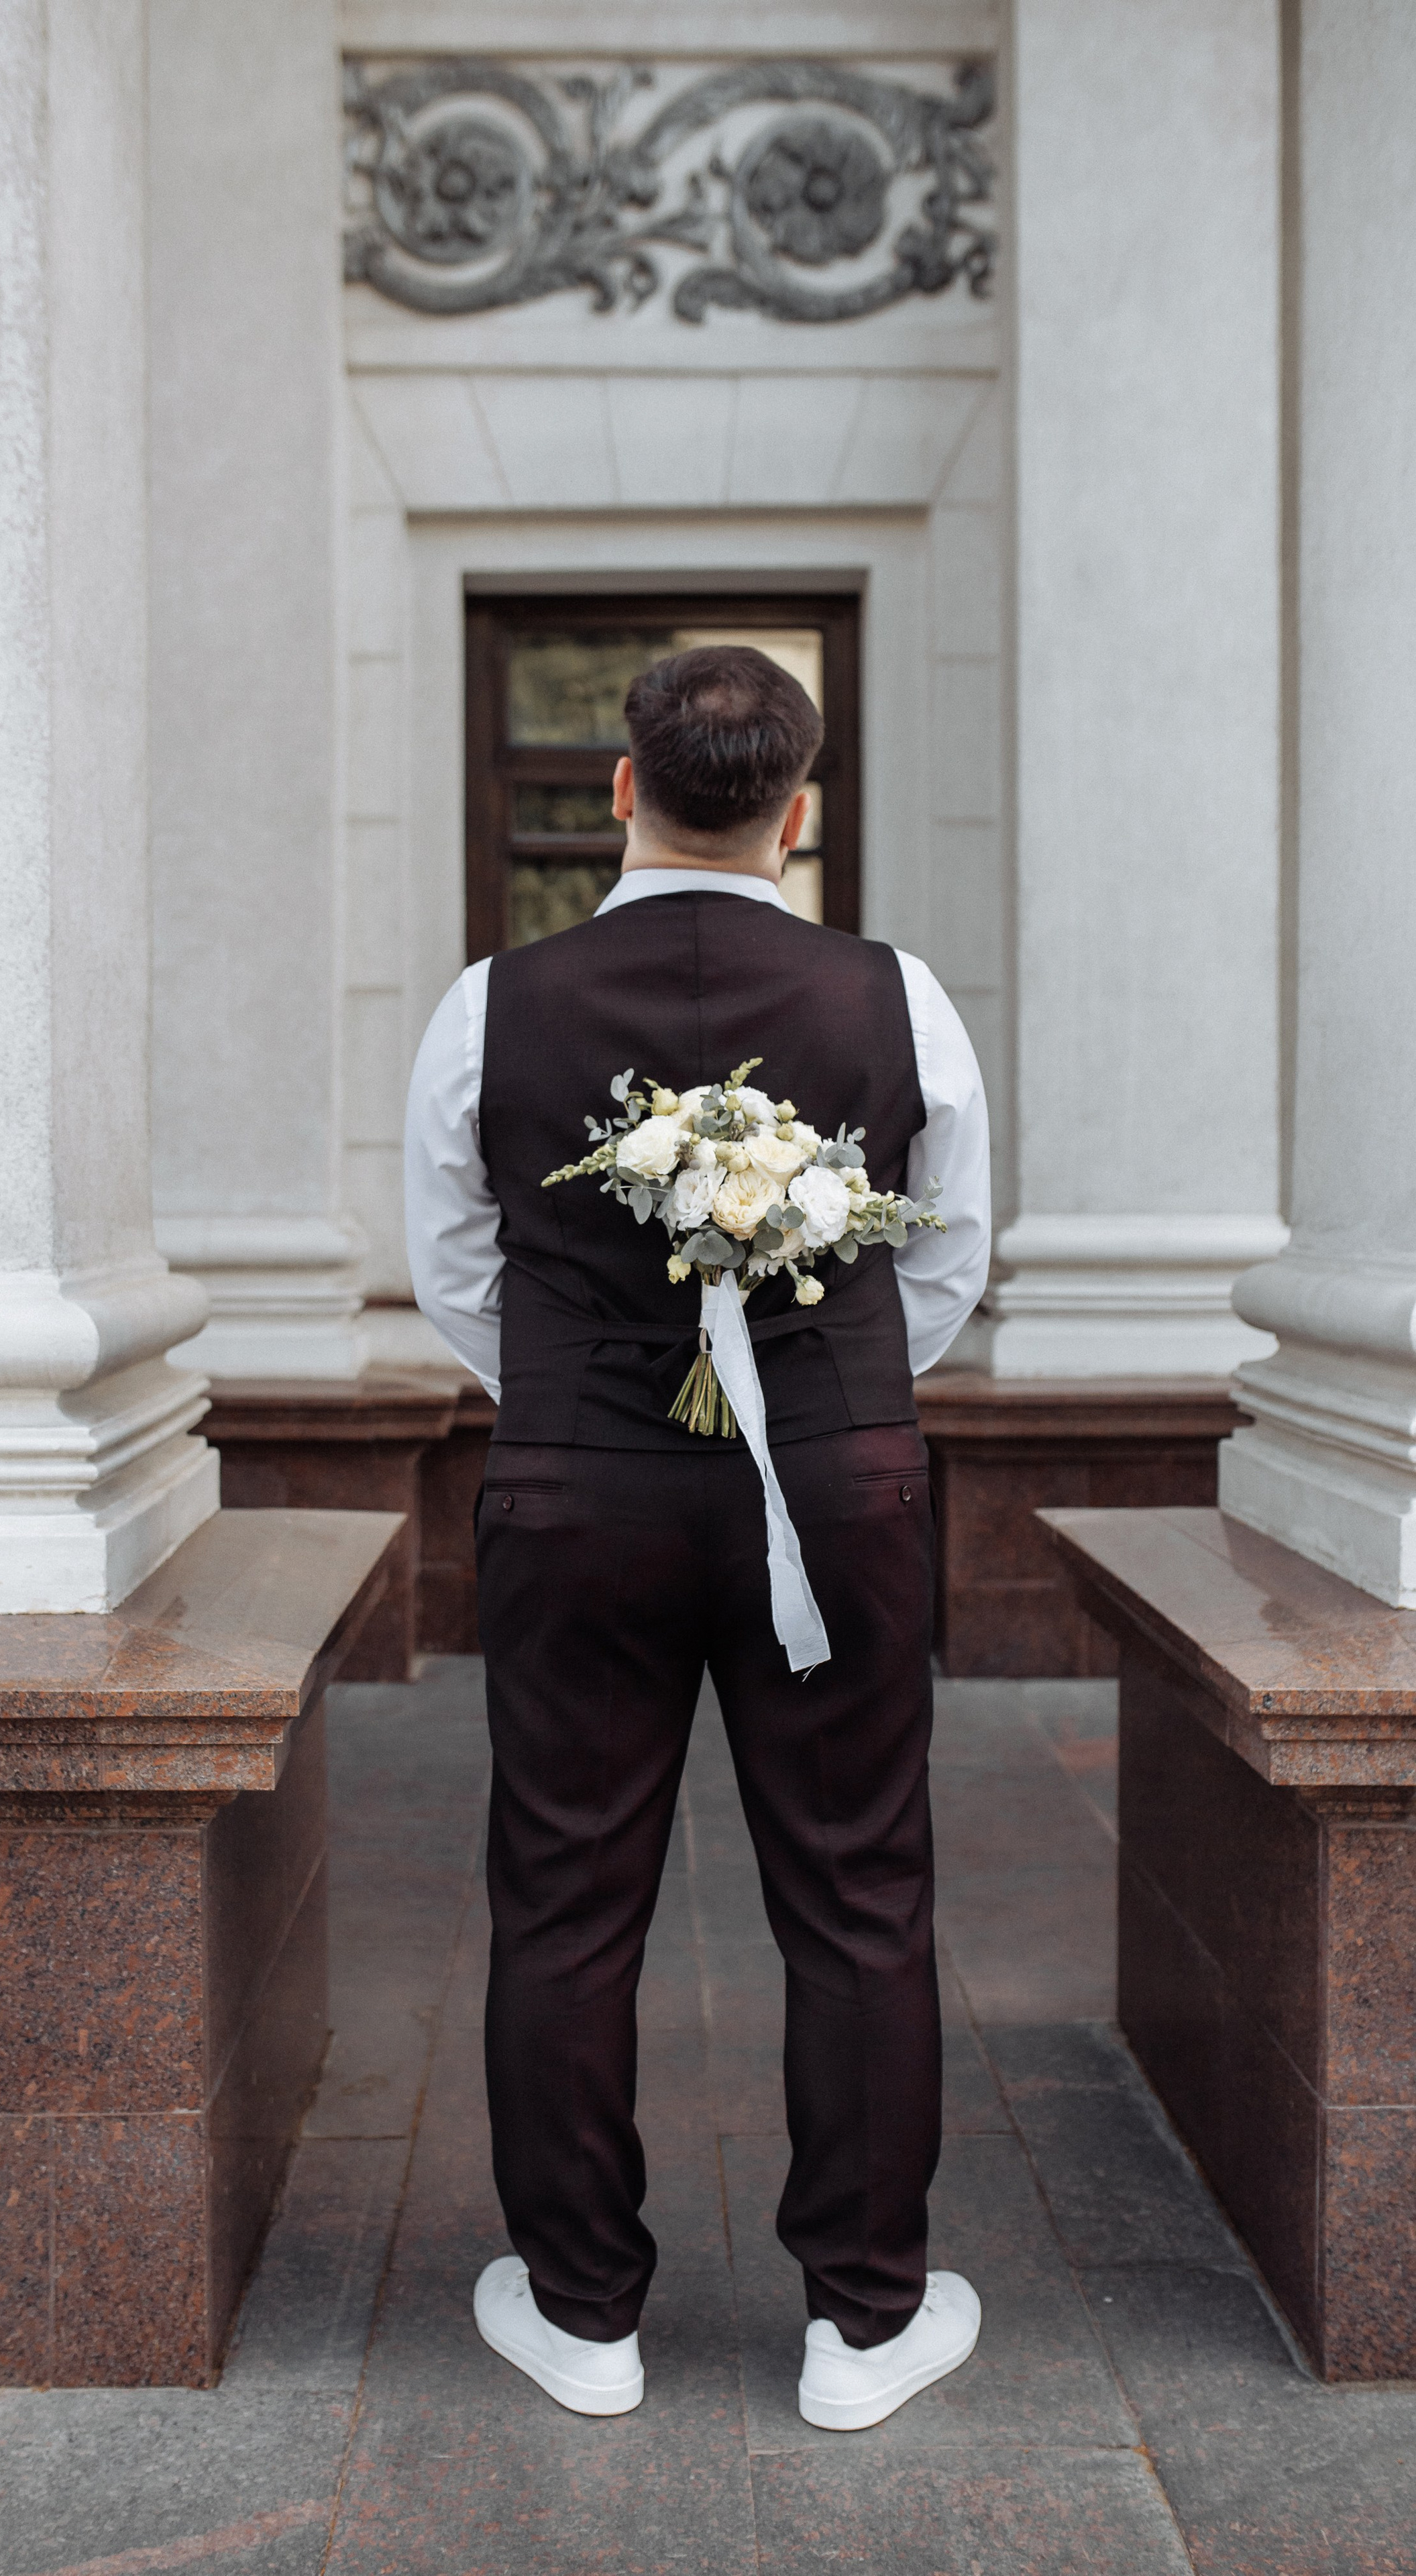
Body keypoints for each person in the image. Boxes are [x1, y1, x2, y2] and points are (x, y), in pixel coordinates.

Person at [402, 644, 991, 2431]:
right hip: (839, 1490)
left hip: (577, 1493)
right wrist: (817, 1402)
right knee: (861, 1890)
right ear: (795, 814)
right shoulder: (901, 997)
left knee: (567, 1897)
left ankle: (583, 2315)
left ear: (619, 791)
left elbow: (454, 1270)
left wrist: (590, 1402)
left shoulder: (489, 1004)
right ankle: (866, 2327)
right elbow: (947, 1257)